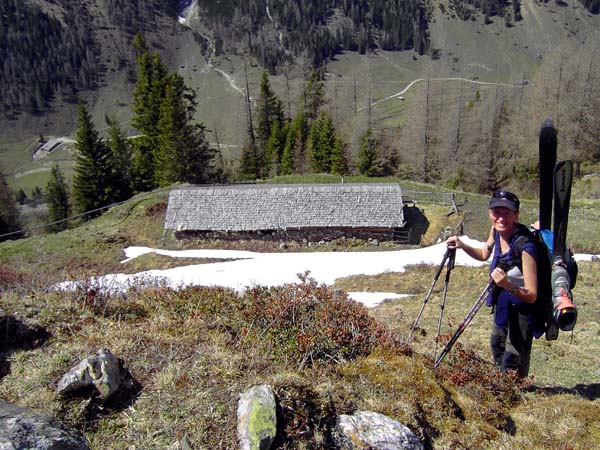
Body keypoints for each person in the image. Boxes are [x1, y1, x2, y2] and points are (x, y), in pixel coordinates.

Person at [446, 190, 542, 378]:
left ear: (516, 215)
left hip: (522, 309)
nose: (501, 218)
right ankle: (501, 386)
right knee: (497, 345)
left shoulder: (527, 248)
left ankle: (515, 394)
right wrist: (462, 245)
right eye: (496, 212)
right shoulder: (496, 232)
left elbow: (532, 295)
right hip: (503, 302)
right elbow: (484, 254)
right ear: (490, 213)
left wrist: (507, 285)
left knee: (513, 357)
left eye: (507, 213)